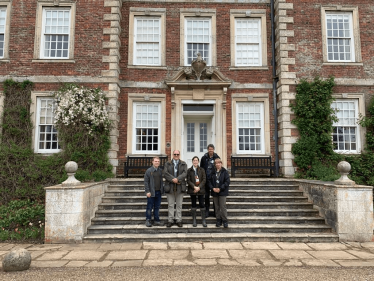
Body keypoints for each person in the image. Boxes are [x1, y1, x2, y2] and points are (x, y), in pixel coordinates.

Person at [163, 150, 187, 227]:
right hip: (170, 186)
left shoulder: (183, 163)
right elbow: (165, 173)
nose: (176, 155)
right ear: (172, 155)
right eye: (175, 154)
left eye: (177, 154)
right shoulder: (167, 163)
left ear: (179, 155)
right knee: (170, 205)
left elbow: (185, 173)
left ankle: (178, 219)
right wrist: (173, 179)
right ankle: (170, 220)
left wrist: (178, 179)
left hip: (180, 187)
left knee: (179, 205)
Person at [208, 158, 230, 228]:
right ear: (215, 164)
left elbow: (227, 182)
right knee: (216, 207)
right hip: (214, 192)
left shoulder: (225, 172)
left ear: (221, 163)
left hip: (222, 192)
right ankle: (218, 220)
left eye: (219, 163)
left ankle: (225, 221)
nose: (218, 164)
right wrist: (212, 188)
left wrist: (220, 188)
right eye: (216, 163)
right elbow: (209, 181)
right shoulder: (212, 172)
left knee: (222, 207)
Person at [200, 144, 220, 217]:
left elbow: (219, 168)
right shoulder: (204, 158)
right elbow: (201, 169)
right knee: (206, 196)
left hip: (214, 180)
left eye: (211, 149)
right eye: (209, 149)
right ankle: (207, 211)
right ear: (207, 150)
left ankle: (216, 212)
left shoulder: (217, 157)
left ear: (213, 150)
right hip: (206, 180)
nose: (210, 150)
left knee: (215, 196)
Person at [186, 156, 207, 227]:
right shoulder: (189, 170)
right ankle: (194, 220)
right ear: (192, 162)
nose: (195, 162)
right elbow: (188, 180)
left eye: (196, 160)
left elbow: (204, 179)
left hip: (200, 190)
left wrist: (199, 187)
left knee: (202, 204)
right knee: (193, 204)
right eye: (194, 160)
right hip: (192, 190)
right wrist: (194, 187)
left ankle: (203, 220)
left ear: (198, 162)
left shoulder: (202, 170)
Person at [144, 157, 164, 227]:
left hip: (158, 192)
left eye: (158, 161)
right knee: (149, 207)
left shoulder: (160, 171)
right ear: (152, 162)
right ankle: (148, 220)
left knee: (157, 207)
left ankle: (156, 220)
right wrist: (147, 191)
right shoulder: (149, 171)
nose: (157, 162)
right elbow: (146, 182)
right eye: (155, 161)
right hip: (151, 192)